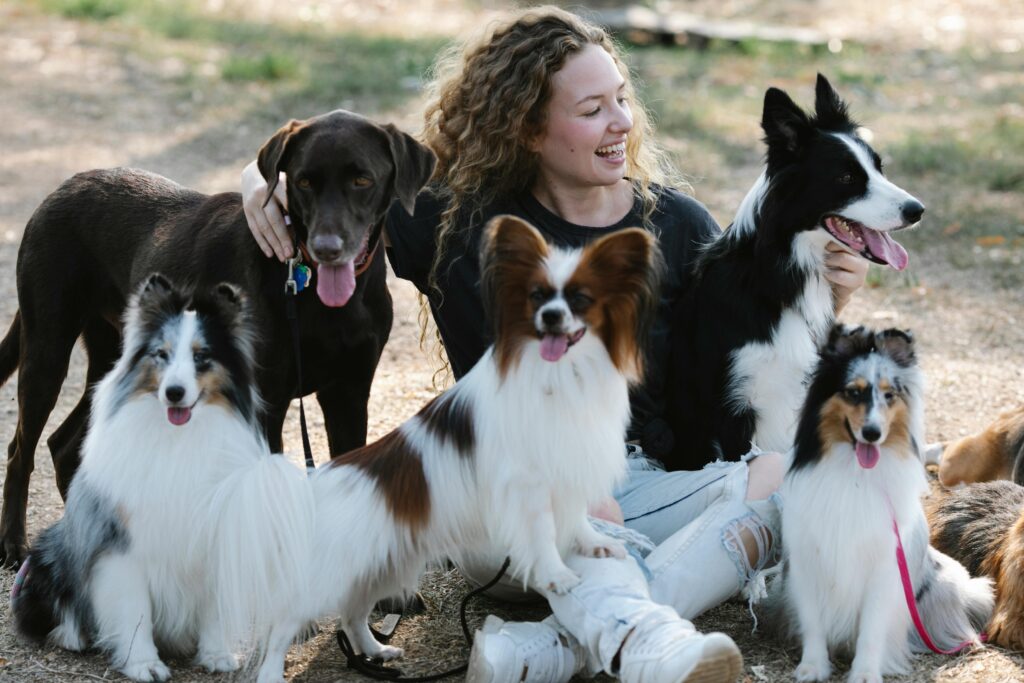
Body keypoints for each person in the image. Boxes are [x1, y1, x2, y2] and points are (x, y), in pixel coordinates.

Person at [241, 6, 868, 682]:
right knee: (577, 523)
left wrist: (832, 295)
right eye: (593, 108)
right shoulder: (461, 222)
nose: (621, 122)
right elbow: (338, 156)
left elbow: (749, 360)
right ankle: (647, 644)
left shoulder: (677, 225)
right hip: (507, 498)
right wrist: (259, 183)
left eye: (622, 100)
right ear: (530, 127)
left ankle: (539, 651)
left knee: (783, 484)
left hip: (636, 481)